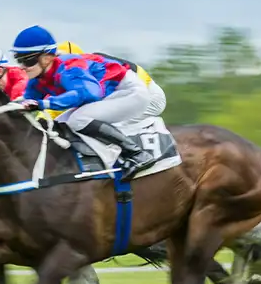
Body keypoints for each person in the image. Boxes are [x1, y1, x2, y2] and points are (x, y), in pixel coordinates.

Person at [11, 25, 161, 179]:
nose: (22, 67)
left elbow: (89, 94)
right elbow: (28, 98)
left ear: (46, 58)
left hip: (130, 92)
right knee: (60, 123)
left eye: (27, 60)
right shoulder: (38, 77)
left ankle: (137, 154)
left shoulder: (70, 68)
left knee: (79, 119)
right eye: (18, 60)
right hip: (111, 95)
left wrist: (43, 104)